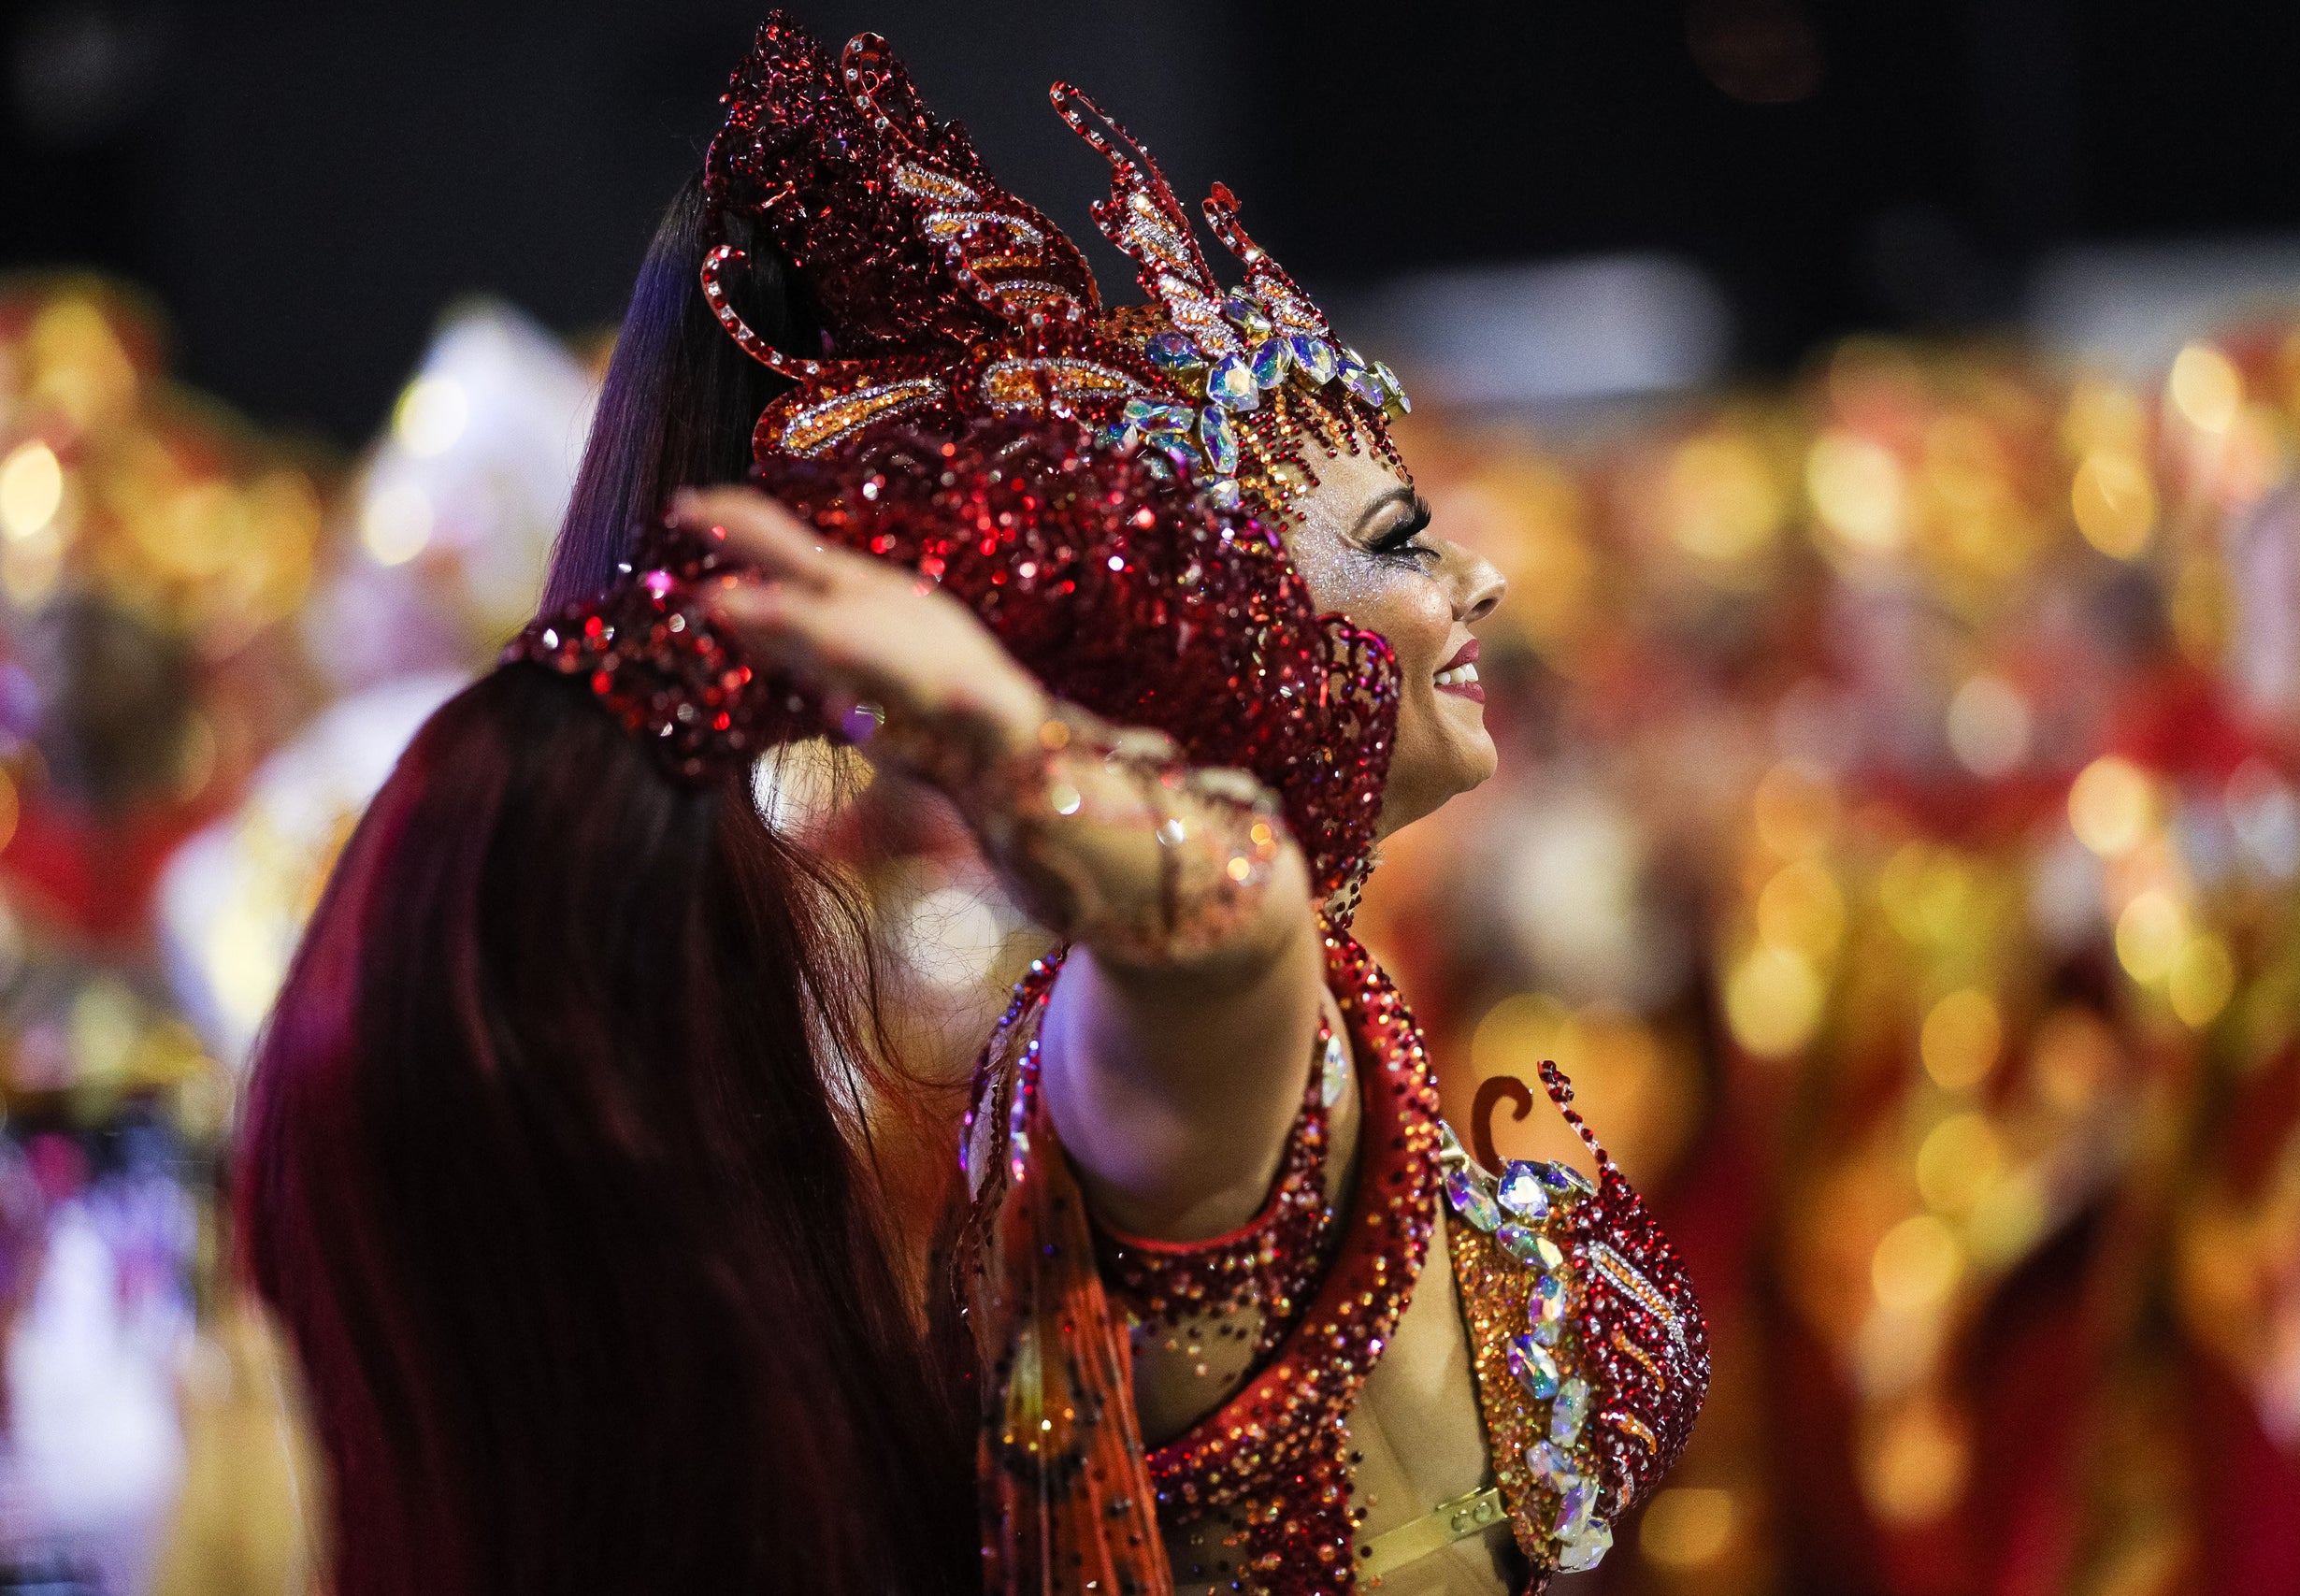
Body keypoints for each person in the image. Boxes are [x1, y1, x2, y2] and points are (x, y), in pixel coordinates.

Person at [240, 13, 1708, 1595]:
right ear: (1226, 631)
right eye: (1404, 539)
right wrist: (1013, 735)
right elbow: (1215, 928)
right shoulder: (1192, 1044)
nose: (1480, 577)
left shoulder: (1299, 1008)